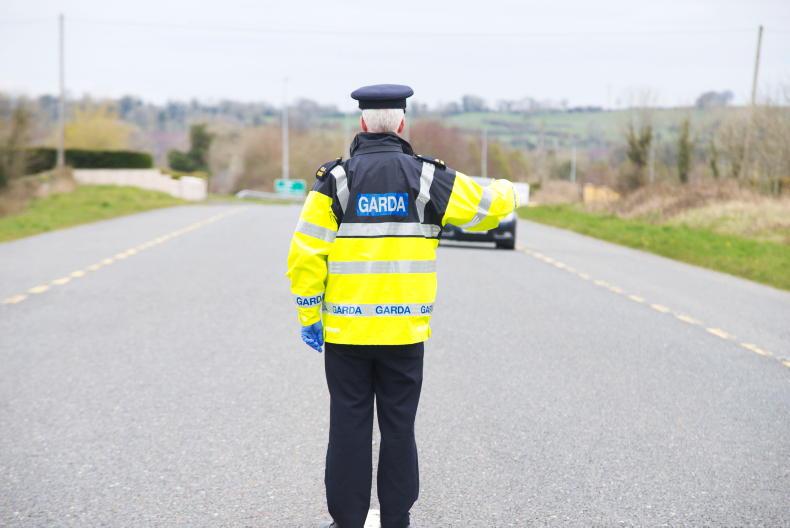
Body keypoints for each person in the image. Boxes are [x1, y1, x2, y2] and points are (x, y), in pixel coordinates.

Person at [286, 84, 519, 528]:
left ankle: (347, 520)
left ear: (362, 123)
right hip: (403, 334)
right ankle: (396, 518)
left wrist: (309, 315)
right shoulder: (427, 179)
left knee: (348, 428)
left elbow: (305, 254)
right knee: (398, 428)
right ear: (401, 124)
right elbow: (489, 208)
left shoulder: (335, 181)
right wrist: (511, 189)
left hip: (347, 334)